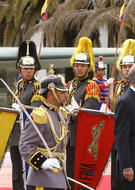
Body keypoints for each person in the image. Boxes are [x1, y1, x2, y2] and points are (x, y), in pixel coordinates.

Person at [19, 71, 69, 190]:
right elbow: (25, 146)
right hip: (42, 178)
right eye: (62, 92)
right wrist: (42, 162)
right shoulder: (40, 116)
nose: (66, 96)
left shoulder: (61, 113)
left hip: (59, 173)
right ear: (51, 93)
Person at [65, 37, 100, 188]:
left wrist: (74, 112)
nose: (79, 68)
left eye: (83, 66)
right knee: (69, 174)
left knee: (81, 176)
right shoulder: (69, 84)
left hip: (83, 136)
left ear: (88, 68)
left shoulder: (92, 86)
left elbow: (89, 109)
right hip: (68, 135)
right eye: (76, 65)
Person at [10, 40, 41, 190]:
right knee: (16, 172)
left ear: (35, 69)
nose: (28, 71)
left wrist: (22, 108)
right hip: (15, 132)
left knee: (29, 170)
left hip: (28, 133)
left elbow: (35, 109)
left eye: (31, 68)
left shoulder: (37, 87)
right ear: (20, 69)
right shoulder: (18, 85)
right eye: (25, 68)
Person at [111, 39, 135, 190]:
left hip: (131, 138)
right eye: (124, 66)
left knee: (128, 179)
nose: (127, 69)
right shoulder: (117, 86)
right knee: (115, 179)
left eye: (130, 66)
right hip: (116, 136)